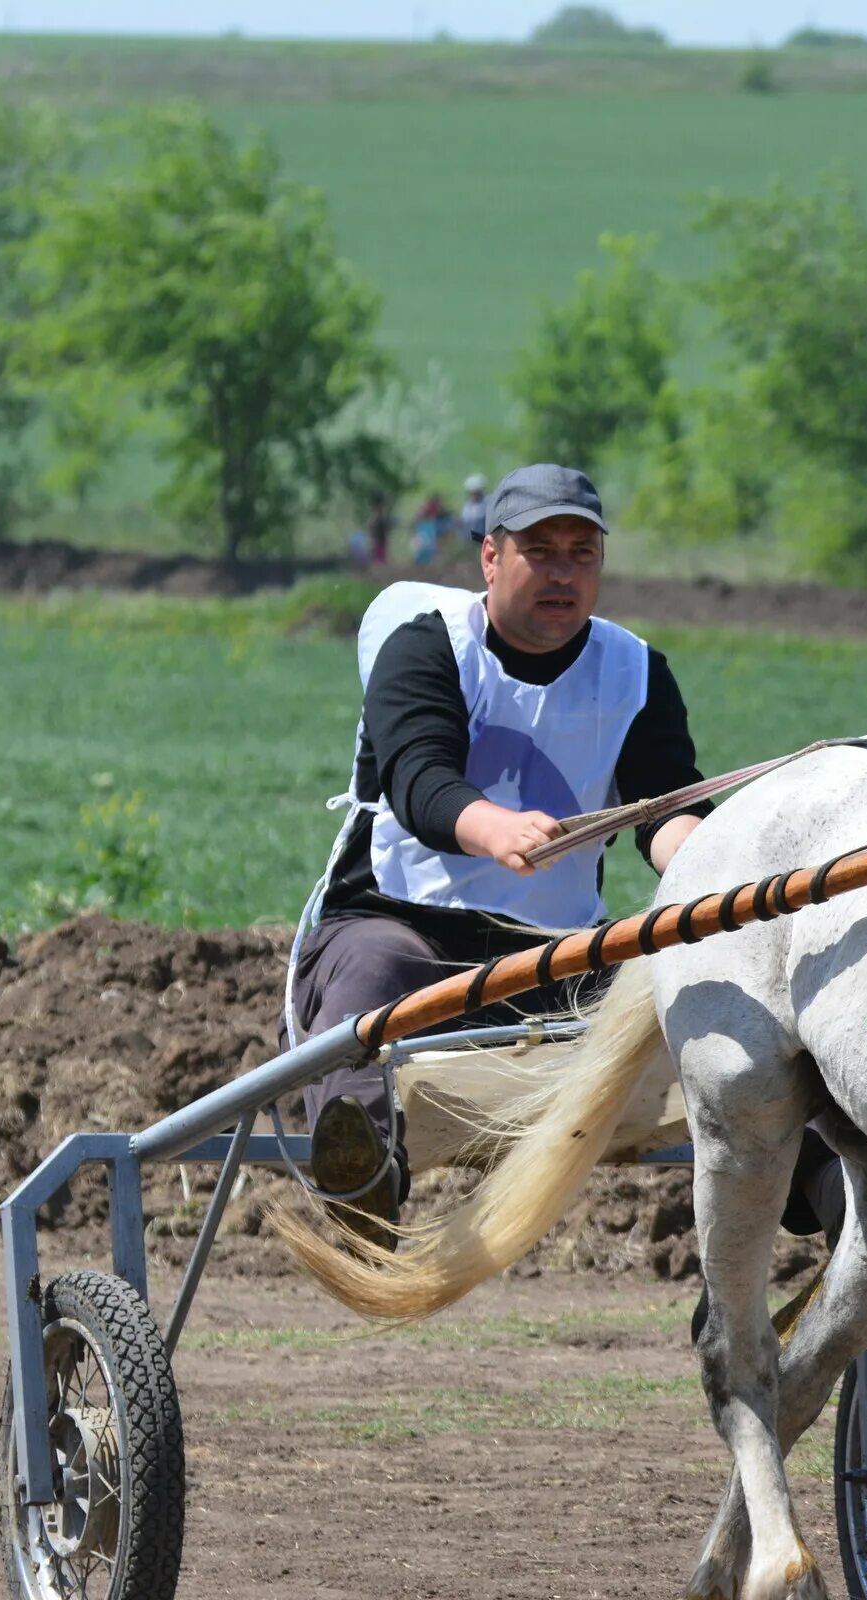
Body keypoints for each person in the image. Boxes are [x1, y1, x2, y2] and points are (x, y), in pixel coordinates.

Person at [286, 463, 712, 1246]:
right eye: (540, 550)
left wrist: (718, 869)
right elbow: (419, 781)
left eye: (582, 554)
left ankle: (813, 1176)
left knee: (707, 991)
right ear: (491, 558)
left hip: (555, 957)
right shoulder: (426, 649)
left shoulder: (636, 672)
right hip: (399, 922)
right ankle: (362, 1175)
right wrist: (498, 829)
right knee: (372, 978)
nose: (562, 572)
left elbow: (665, 809)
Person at [411, 491, 446, 566]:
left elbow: (433, 537)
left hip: (428, 548)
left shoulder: (430, 523)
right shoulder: (420, 524)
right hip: (422, 547)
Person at [460, 473, 489, 544]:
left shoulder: (487, 503)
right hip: (469, 540)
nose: (473, 495)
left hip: (482, 539)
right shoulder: (467, 506)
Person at [365, 493, 391, 566]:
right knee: (378, 561)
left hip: (380, 540)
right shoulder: (376, 516)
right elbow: (371, 527)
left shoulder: (379, 516)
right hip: (377, 540)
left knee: (380, 560)